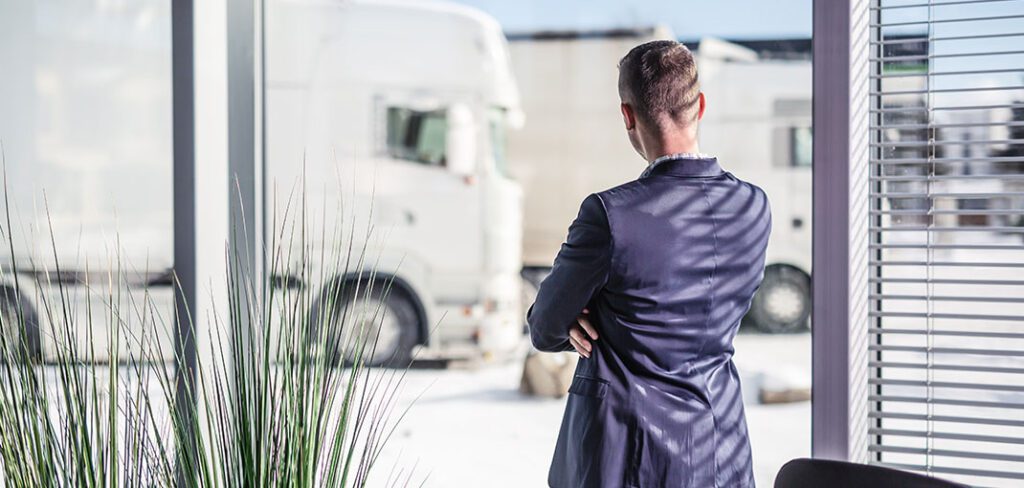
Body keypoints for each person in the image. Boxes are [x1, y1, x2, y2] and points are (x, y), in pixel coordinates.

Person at [527, 40, 771, 488]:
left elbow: (545, 326)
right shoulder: (753, 206)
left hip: (623, 458)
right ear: (699, 104)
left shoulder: (610, 214)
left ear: (627, 115)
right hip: (720, 451)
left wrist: (586, 314)